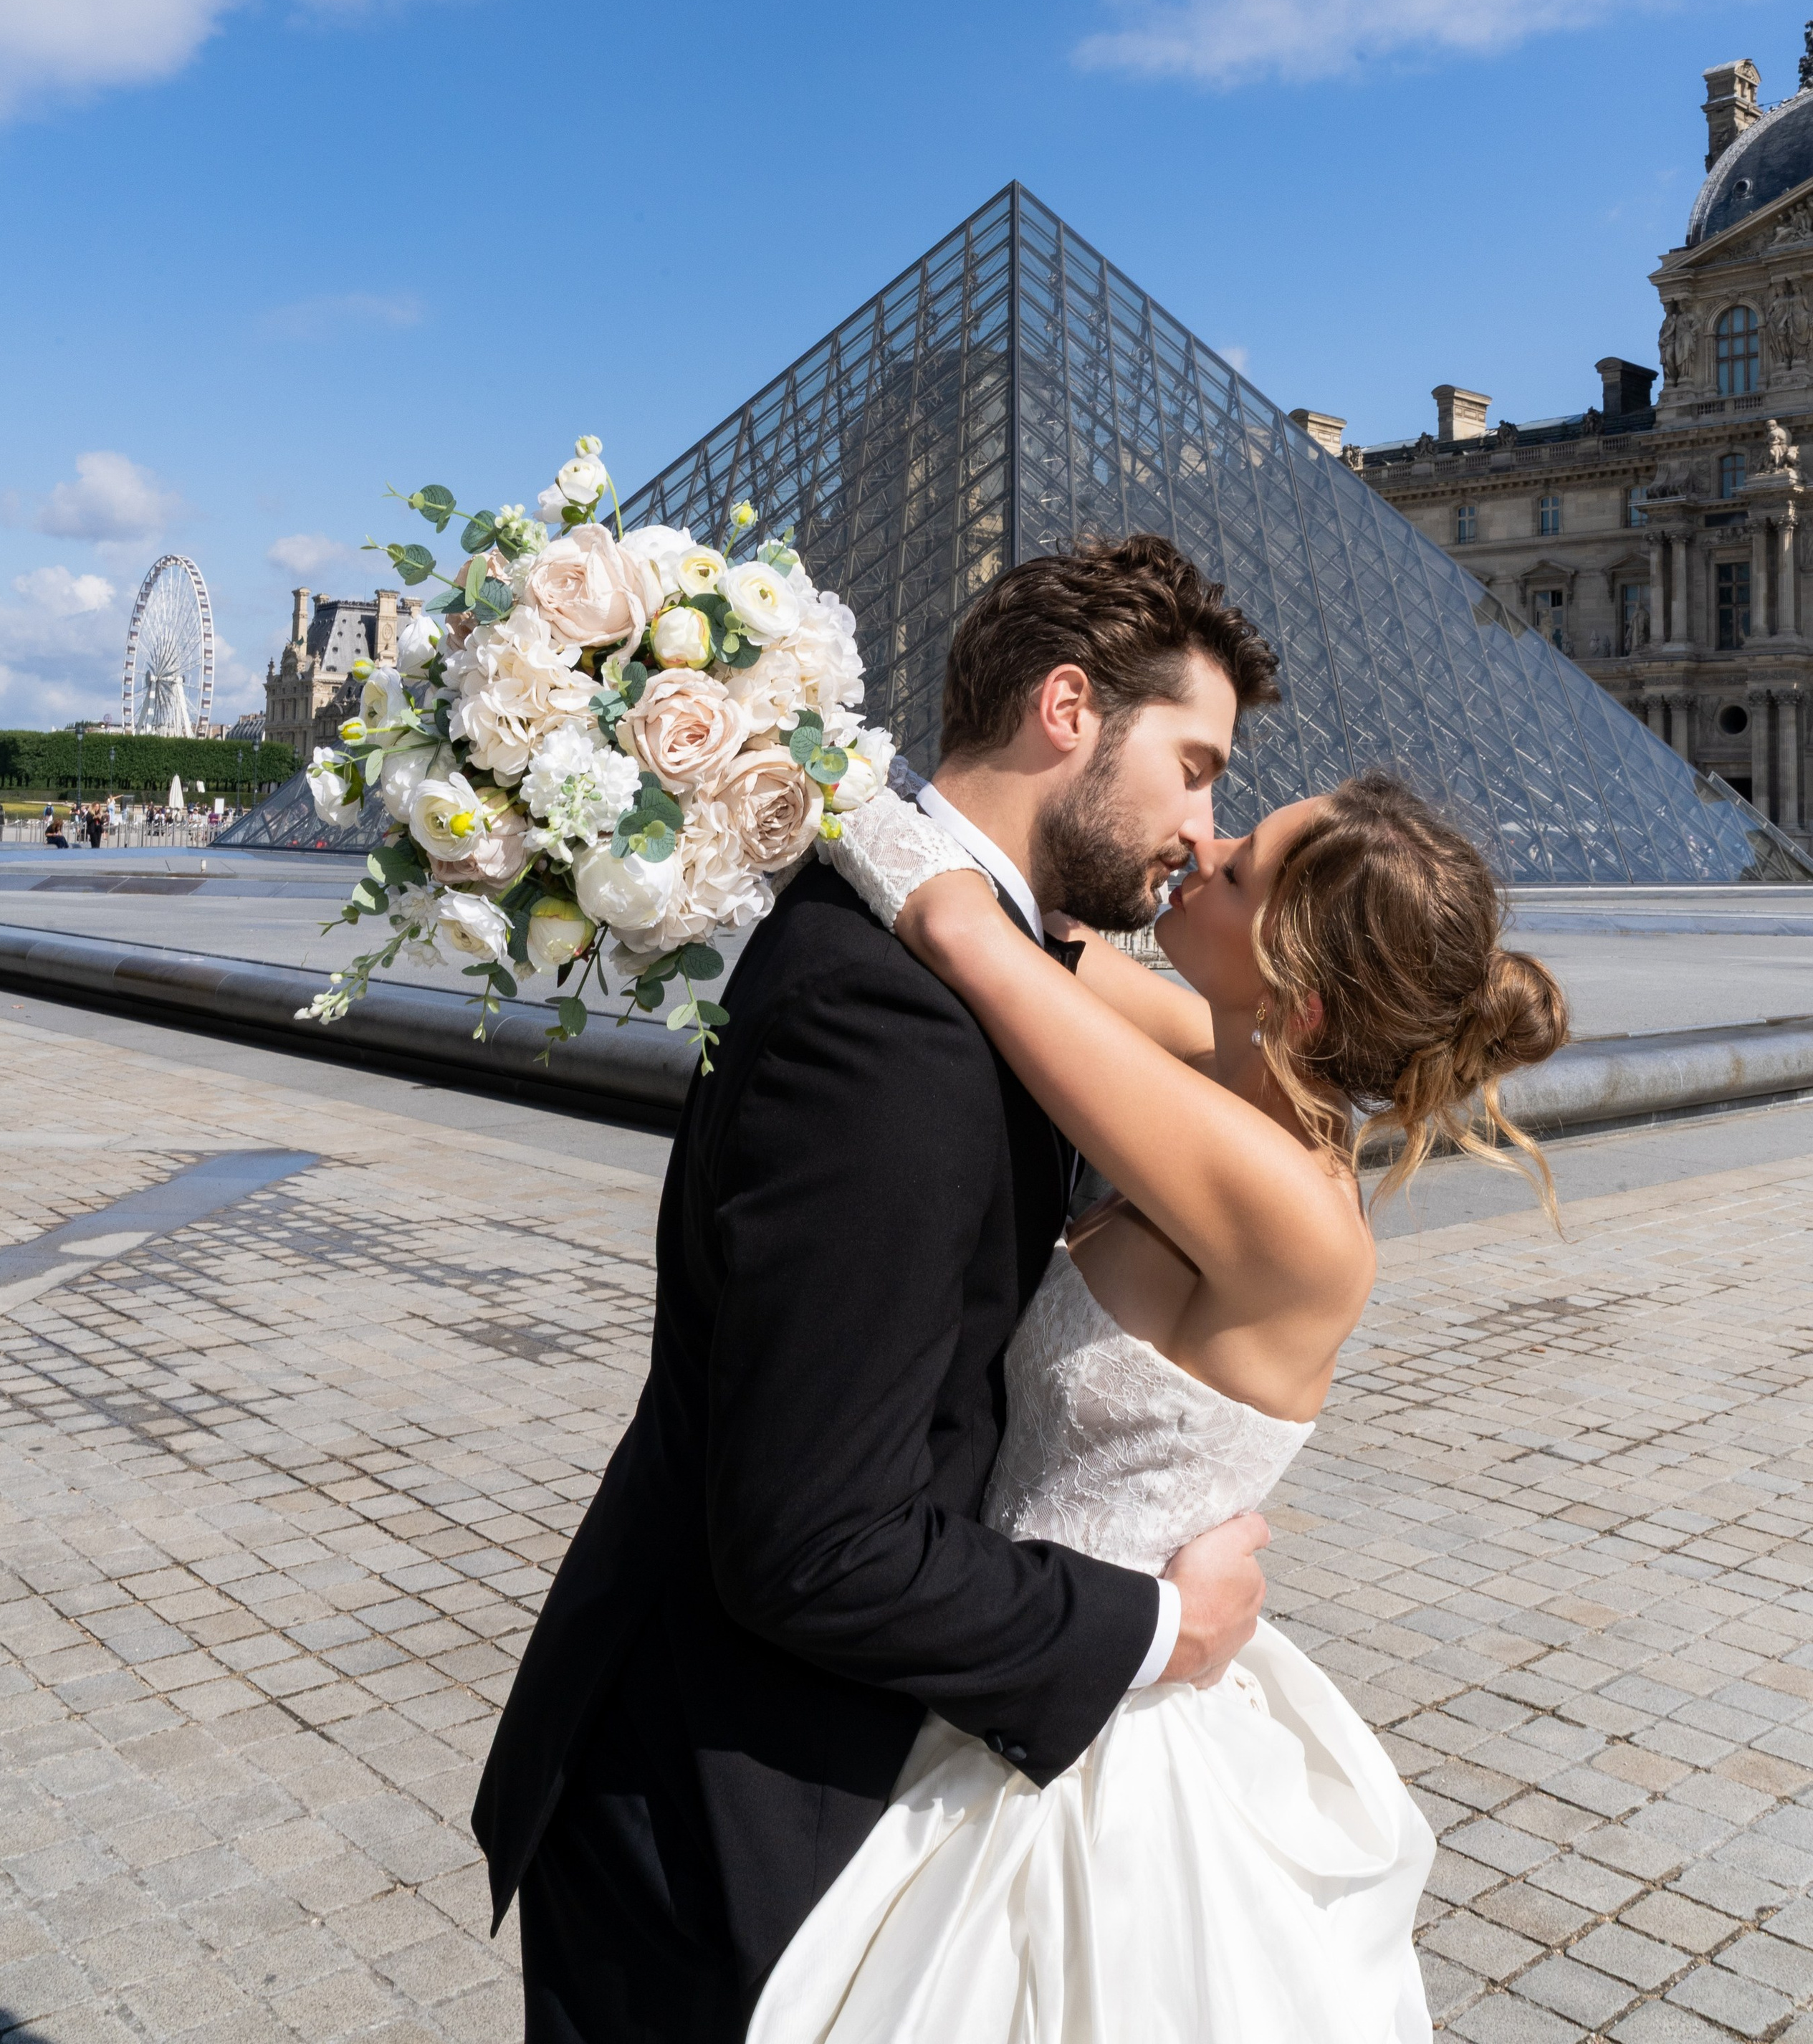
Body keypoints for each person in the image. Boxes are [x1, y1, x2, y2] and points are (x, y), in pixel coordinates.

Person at [474, 535, 1286, 2043]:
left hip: (768, 1770)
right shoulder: (895, 1031)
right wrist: (1154, 1630)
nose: (1200, 823)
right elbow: (817, 1544)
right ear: (1065, 710)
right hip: (725, 1837)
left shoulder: (958, 952)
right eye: (1191, 765)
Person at [747, 770, 1566, 2043]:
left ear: (1297, 995)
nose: (1205, 840)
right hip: (1004, 1652)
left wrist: (754, 705)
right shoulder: (1220, 1062)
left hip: (1078, 1740)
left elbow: (967, 936)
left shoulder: (1291, 1210)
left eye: (1240, 866)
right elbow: (1032, 933)